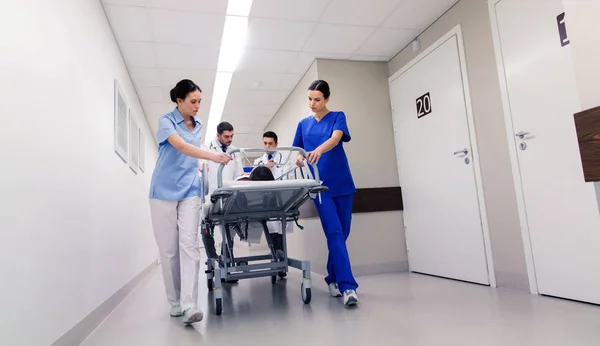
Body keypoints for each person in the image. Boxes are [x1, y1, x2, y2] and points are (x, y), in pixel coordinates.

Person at [149, 79, 232, 325]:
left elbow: (189, 153)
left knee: (190, 245)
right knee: (168, 250)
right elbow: (182, 146)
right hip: (162, 191)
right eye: (193, 102)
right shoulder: (166, 121)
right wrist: (212, 156)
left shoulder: (199, 124)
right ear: (179, 101)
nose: (198, 107)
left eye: (199, 102)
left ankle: (189, 305)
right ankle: (174, 301)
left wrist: (198, 165)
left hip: (190, 190)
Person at [292, 79, 359, 307]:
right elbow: (297, 153)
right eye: (309, 99)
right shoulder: (303, 124)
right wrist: (301, 159)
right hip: (321, 188)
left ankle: (331, 277)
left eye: (317, 99)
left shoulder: (338, 116)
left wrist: (318, 150)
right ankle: (348, 287)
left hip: (343, 185)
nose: (312, 103)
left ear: (327, 99)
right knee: (334, 233)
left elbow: (335, 138)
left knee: (343, 233)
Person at [200, 122, 243, 282]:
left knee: (229, 233)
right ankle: (212, 259)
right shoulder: (206, 148)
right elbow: (201, 166)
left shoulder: (235, 151)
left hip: (230, 197)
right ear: (218, 135)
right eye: (226, 136)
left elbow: (239, 175)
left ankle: (227, 264)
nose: (230, 139)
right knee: (206, 229)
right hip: (212, 197)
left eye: (232, 136)